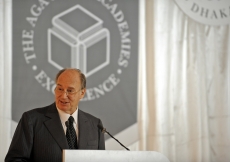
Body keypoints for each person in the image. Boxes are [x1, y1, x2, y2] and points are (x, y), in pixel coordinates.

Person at [5, 68, 105, 162]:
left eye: (70, 91)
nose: (63, 96)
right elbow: (15, 159)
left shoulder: (95, 125)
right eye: (60, 89)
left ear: (82, 93)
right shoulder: (32, 120)